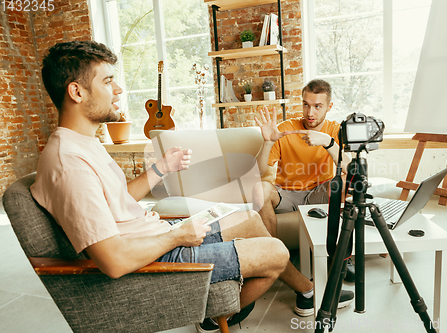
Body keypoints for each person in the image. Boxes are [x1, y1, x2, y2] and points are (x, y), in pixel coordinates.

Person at [30, 40, 308, 332]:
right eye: (108, 81)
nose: (119, 90)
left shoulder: (84, 144)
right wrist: (177, 237)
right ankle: (218, 312)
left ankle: (300, 290)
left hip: (156, 238)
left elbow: (118, 200)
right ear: (76, 91)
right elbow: (114, 261)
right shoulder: (68, 163)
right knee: (276, 253)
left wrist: (161, 168)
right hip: (155, 257)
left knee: (251, 219)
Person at [252, 79, 355, 316]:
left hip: (320, 191)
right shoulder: (287, 128)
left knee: (345, 183)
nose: (310, 112)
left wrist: (328, 143)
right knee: (259, 188)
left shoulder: (334, 130)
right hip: (287, 194)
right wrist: (268, 142)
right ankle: (276, 256)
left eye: (318, 106)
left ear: (329, 106)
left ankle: (342, 256)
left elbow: (351, 168)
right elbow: (258, 171)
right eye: (306, 105)